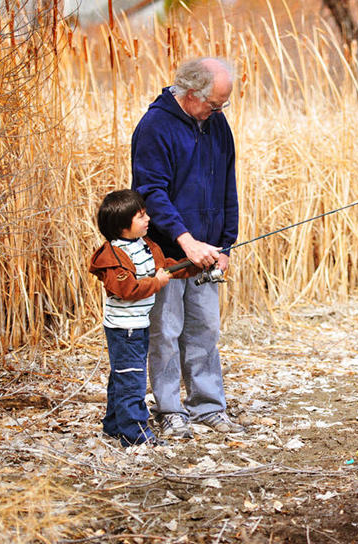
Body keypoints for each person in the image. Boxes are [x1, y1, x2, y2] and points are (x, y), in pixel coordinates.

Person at [130, 56, 242, 439]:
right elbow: (151, 193)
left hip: (207, 251)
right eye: (214, 104)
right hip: (167, 251)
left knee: (205, 329)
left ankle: (208, 406)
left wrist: (225, 245)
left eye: (223, 105)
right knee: (165, 331)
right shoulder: (155, 127)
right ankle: (169, 410)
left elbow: (227, 184)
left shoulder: (216, 124)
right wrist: (185, 240)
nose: (219, 112)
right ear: (191, 93)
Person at [89, 189, 197, 447]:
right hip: (124, 330)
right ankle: (135, 435)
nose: (148, 219)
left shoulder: (145, 245)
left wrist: (195, 264)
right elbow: (127, 289)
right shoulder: (113, 256)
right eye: (140, 216)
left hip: (139, 326)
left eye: (146, 213)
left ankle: (114, 425)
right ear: (122, 225)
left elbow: (165, 267)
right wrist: (156, 283)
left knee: (122, 377)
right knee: (131, 381)